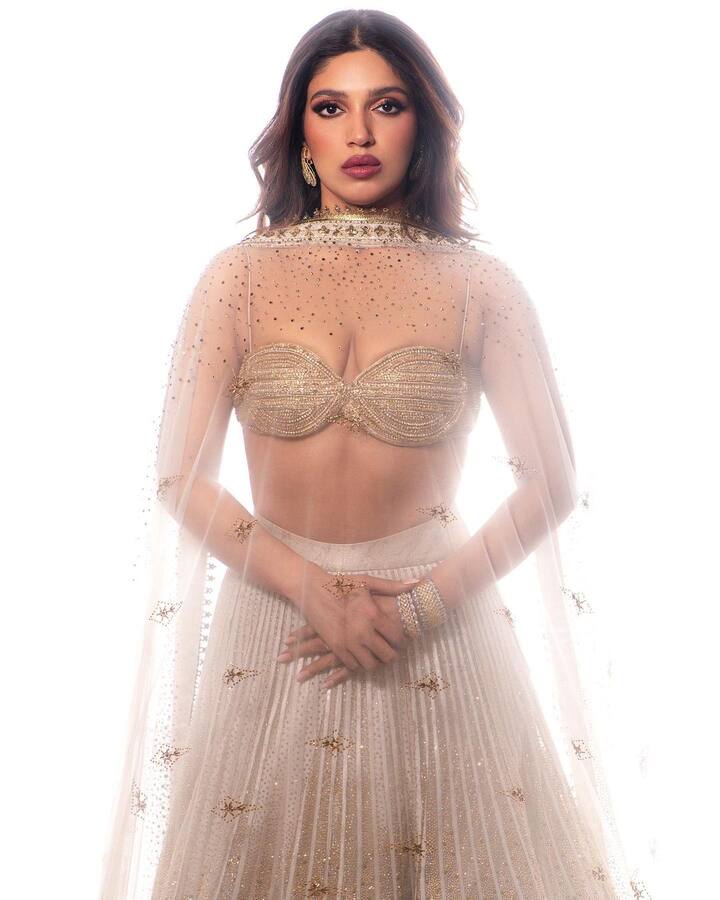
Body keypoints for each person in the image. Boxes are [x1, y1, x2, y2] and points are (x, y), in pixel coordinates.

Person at [99, 10, 646, 899]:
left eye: (386, 105)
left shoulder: (481, 285)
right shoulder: (238, 277)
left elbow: (551, 483)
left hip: (437, 624)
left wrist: (425, 606)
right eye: (331, 107)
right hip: (277, 624)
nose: (359, 132)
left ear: (422, 125)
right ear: (300, 132)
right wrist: (311, 588)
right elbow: (177, 476)